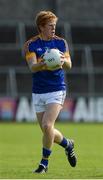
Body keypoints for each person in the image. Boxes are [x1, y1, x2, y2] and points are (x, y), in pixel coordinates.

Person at [24, 10, 77, 174]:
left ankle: (44, 164)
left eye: (54, 25)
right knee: (48, 132)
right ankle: (68, 144)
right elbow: (32, 67)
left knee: (48, 125)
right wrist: (45, 63)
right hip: (38, 92)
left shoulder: (61, 43)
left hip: (56, 89)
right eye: (50, 26)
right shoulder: (31, 45)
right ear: (41, 27)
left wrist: (61, 61)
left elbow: (69, 64)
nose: (54, 29)